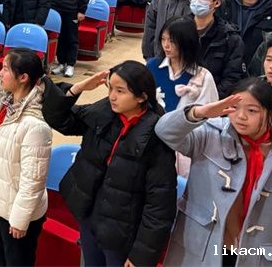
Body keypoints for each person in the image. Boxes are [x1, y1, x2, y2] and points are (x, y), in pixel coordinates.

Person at [42, 62, 177, 266]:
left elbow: (159, 204)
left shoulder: (156, 135)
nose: (112, 96)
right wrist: (77, 88)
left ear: (142, 97)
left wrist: (141, 255)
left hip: (122, 232)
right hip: (90, 216)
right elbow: (60, 119)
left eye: (120, 91)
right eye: (110, 88)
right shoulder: (104, 111)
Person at [155, 80, 272, 266]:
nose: (241, 116)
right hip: (203, 248)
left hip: (257, 257)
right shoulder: (210, 134)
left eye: (252, 111)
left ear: (271, 115)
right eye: (234, 107)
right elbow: (164, 132)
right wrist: (199, 112)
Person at [0, 32, 52, 267]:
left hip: (17, 213)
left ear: (23, 77)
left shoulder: (35, 125)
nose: (0, 72)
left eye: (6, 69)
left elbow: (33, 181)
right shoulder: (5, 99)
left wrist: (19, 219)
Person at [146, 17, 218, 113]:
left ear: (187, 41)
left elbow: (210, 113)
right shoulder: (152, 66)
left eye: (172, 41)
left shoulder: (203, 76)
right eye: (163, 39)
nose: (166, 45)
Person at [188, 0, 245, 97]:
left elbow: (232, 76)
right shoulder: (178, 29)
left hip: (213, 98)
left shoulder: (229, 37)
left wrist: (209, 98)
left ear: (217, 3)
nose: (197, 2)